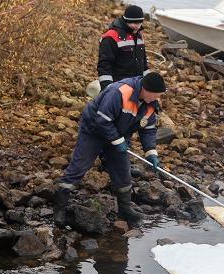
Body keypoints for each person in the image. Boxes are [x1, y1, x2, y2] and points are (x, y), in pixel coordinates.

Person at [53, 72, 166, 228]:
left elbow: (148, 129)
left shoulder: (150, 104)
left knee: (123, 172)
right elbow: (102, 120)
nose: (156, 99)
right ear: (145, 89)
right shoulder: (119, 92)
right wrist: (118, 141)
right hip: (94, 131)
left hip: (118, 134)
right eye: (155, 95)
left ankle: (125, 210)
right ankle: (59, 208)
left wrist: (151, 152)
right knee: (79, 166)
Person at [97, 5, 149, 92]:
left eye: (139, 23)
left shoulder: (139, 35)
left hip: (137, 86)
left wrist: (148, 84)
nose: (137, 26)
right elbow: (105, 65)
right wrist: (108, 89)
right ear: (126, 21)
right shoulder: (111, 37)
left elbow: (143, 62)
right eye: (134, 23)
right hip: (118, 87)